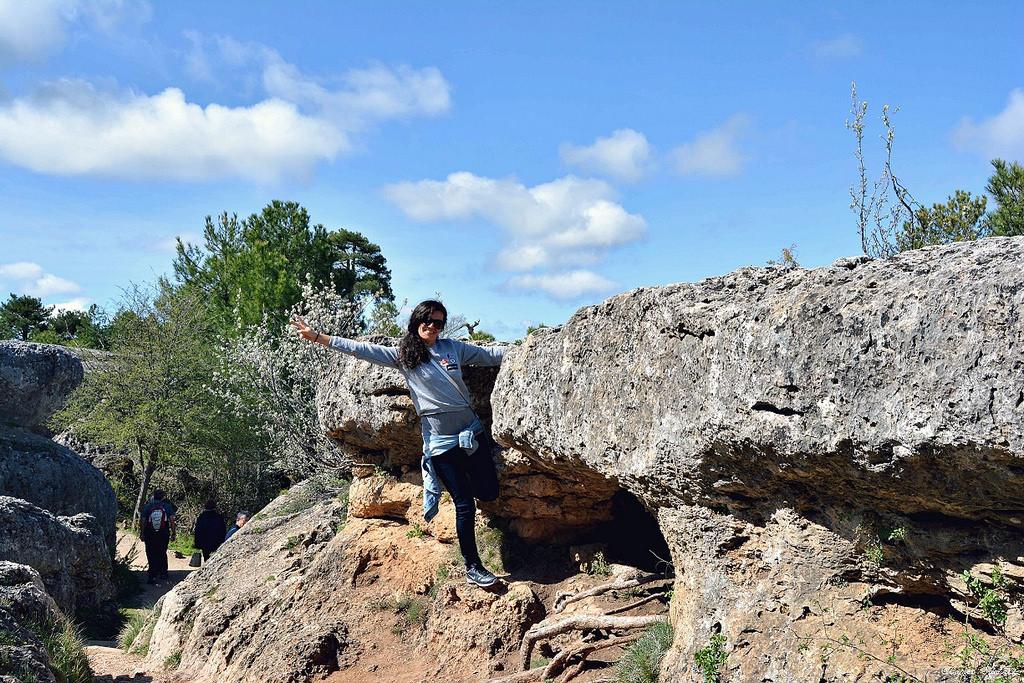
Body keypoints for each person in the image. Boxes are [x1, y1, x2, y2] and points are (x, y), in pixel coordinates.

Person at [291, 299, 506, 588]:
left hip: (471, 433)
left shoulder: (453, 348)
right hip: (441, 441)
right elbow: (360, 349)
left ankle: (472, 493)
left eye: (439, 322)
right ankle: (473, 566)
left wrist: (529, 351)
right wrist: (318, 337)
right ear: (416, 320)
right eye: (427, 320)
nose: (432, 326)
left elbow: (488, 354)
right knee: (463, 502)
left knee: (489, 491)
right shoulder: (403, 355)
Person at [139, 489, 175, 584]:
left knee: (151, 552)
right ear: (163, 496)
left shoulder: (148, 506)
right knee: (162, 551)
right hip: (163, 533)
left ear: (153, 496)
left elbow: (143, 520)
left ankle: (152, 574)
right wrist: (173, 532)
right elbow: (171, 520)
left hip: (150, 533)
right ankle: (163, 572)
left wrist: (142, 533)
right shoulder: (167, 506)